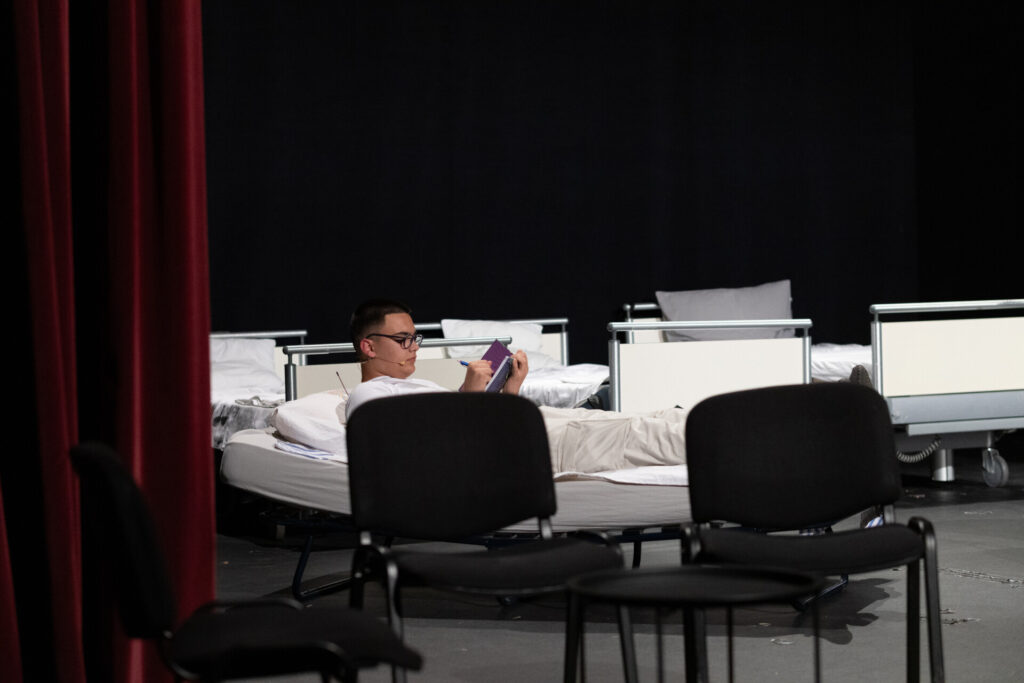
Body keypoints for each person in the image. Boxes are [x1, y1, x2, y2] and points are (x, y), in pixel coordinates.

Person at [344, 298, 687, 473]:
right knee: (643, 435)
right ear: (369, 346)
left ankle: (705, 427)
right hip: (531, 444)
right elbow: (436, 446)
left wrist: (510, 390)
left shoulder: (420, 385)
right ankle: (714, 440)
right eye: (402, 339)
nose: (414, 347)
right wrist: (470, 395)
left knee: (655, 418)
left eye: (415, 338)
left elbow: (474, 424)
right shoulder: (368, 397)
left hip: (530, 427)